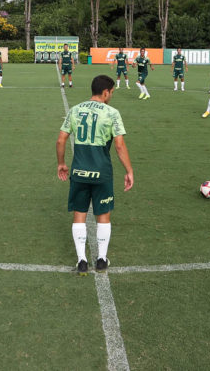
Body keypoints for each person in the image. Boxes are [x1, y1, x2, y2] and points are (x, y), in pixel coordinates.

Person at [56, 75, 134, 275]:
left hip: (79, 172)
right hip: (102, 173)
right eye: (112, 93)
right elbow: (119, 145)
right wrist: (129, 170)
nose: (111, 96)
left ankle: (81, 260)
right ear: (106, 92)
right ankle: (101, 259)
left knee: (79, 214)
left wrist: (62, 163)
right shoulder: (112, 113)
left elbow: (61, 139)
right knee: (103, 215)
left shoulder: (75, 110)